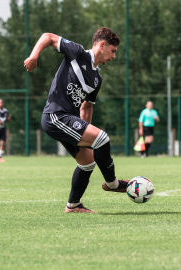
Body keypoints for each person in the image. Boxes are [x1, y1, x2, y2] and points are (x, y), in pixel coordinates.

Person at [24, 27, 129, 213]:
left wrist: (87, 138)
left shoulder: (97, 79)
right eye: (113, 51)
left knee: (88, 161)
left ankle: (73, 205)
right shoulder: (77, 52)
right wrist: (34, 57)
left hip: (68, 119)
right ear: (102, 45)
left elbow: (86, 107)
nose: (114, 56)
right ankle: (113, 184)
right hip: (55, 115)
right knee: (103, 138)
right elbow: (48, 36)